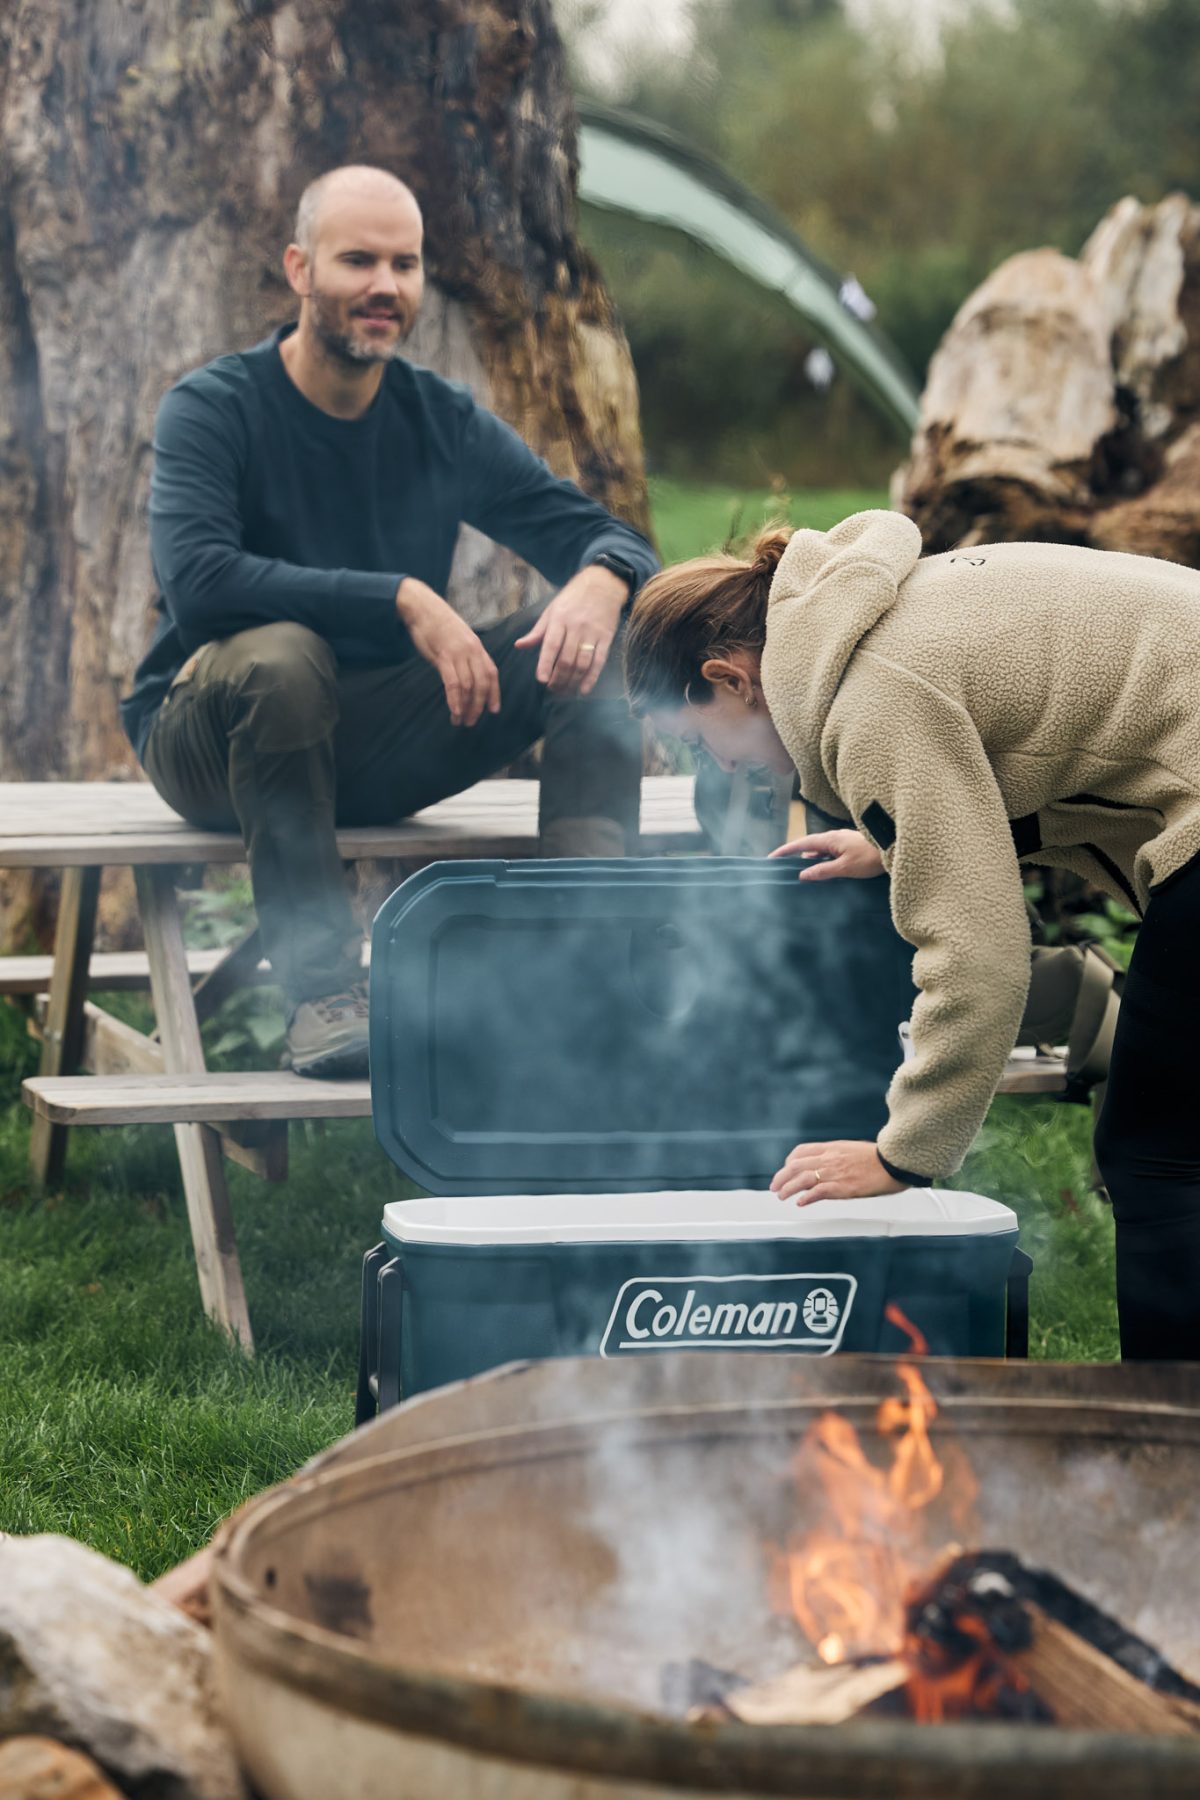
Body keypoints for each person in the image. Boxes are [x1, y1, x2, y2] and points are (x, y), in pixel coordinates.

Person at [623, 507, 1200, 1362]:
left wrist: (904, 1155)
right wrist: (892, 839)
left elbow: (980, 960)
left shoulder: (871, 698)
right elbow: (1033, 740)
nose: (722, 766)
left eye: (697, 742)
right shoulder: (856, 620)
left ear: (729, 678)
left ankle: (1173, 1445)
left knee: (1160, 1152)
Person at [122, 165, 656, 1077]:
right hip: (211, 735)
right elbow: (202, 583)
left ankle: (587, 959)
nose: (384, 286)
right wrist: (399, 596)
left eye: (403, 265)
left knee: (594, 645)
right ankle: (322, 993)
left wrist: (603, 580)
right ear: (299, 269)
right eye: (357, 260)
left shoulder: (436, 419)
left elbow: (608, 537)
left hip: (372, 737)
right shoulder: (214, 408)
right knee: (283, 661)